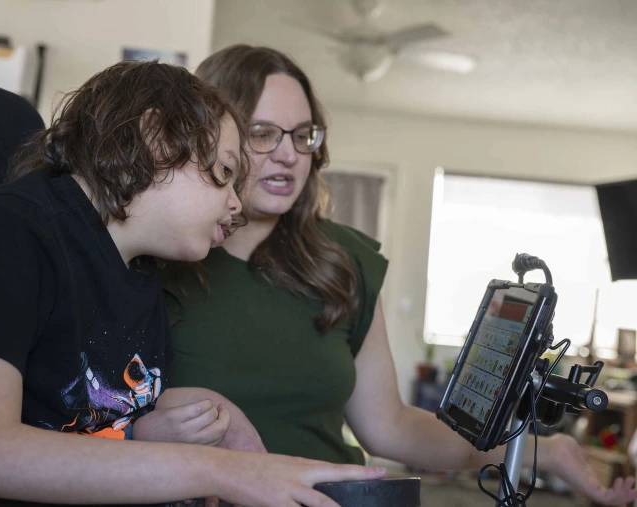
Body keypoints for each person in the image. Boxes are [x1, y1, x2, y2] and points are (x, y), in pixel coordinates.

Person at [0, 60, 385, 507]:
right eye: (226, 172)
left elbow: (87, 409)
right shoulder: (12, 229)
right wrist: (221, 471)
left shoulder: (138, 270)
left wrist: (200, 420)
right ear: (159, 141)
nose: (236, 205)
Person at [161, 44, 637, 506]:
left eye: (303, 135)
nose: (289, 154)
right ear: (214, 136)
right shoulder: (161, 258)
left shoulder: (342, 262)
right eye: (262, 132)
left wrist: (541, 450)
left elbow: (391, 427)